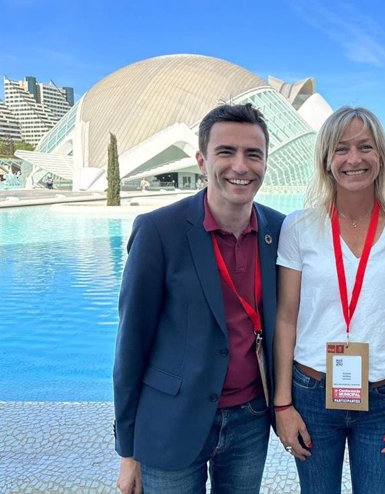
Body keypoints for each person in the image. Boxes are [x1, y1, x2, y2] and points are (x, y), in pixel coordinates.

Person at [113, 103, 285, 494]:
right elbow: (131, 344)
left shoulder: (280, 230)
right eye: (226, 152)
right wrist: (128, 449)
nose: (240, 166)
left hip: (250, 420)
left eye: (253, 154)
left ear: (265, 162)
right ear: (202, 159)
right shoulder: (159, 231)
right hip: (172, 421)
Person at [273, 106, 385, 494]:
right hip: (312, 394)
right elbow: (286, 318)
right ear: (326, 159)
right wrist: (283, 404)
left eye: (365, 147)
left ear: (382, 156)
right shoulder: (299, 227)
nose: (354, 159)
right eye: (341, 149)